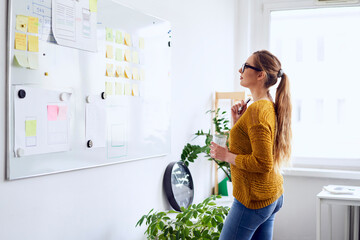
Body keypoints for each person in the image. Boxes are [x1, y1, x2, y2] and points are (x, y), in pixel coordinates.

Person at [209, 50, 292, 240]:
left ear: (260, 75)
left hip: (254, 201)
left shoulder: (257, 110)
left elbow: (263, 163)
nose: (240, 69)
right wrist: (237, 122)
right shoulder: (268, 105)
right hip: (270, 195)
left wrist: (226, 155)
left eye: (246, 66)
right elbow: (251, 145)